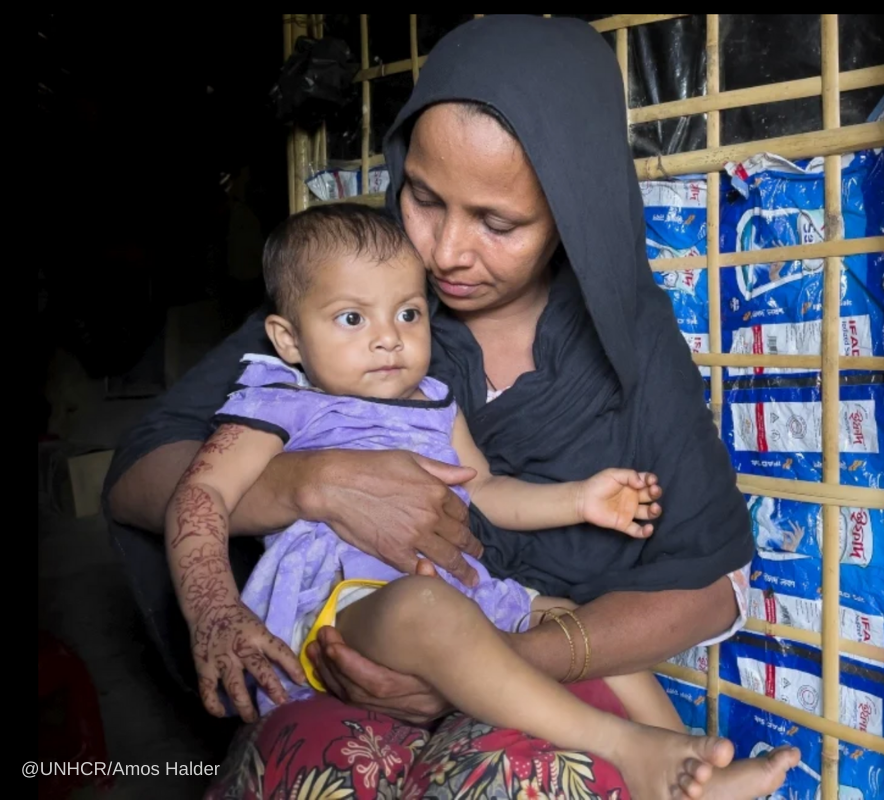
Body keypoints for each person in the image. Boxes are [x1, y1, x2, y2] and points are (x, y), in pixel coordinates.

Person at [105, 15, 799, 798]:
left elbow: (709, 584)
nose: (442, 254)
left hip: (517, 639)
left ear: (572, 211)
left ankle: (694, 781)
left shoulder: (628, 343)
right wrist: (311, 482)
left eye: (497, 223)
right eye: (423, 198)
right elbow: (143, 476)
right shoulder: (352, 299)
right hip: (353, 643)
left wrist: (489, 661)